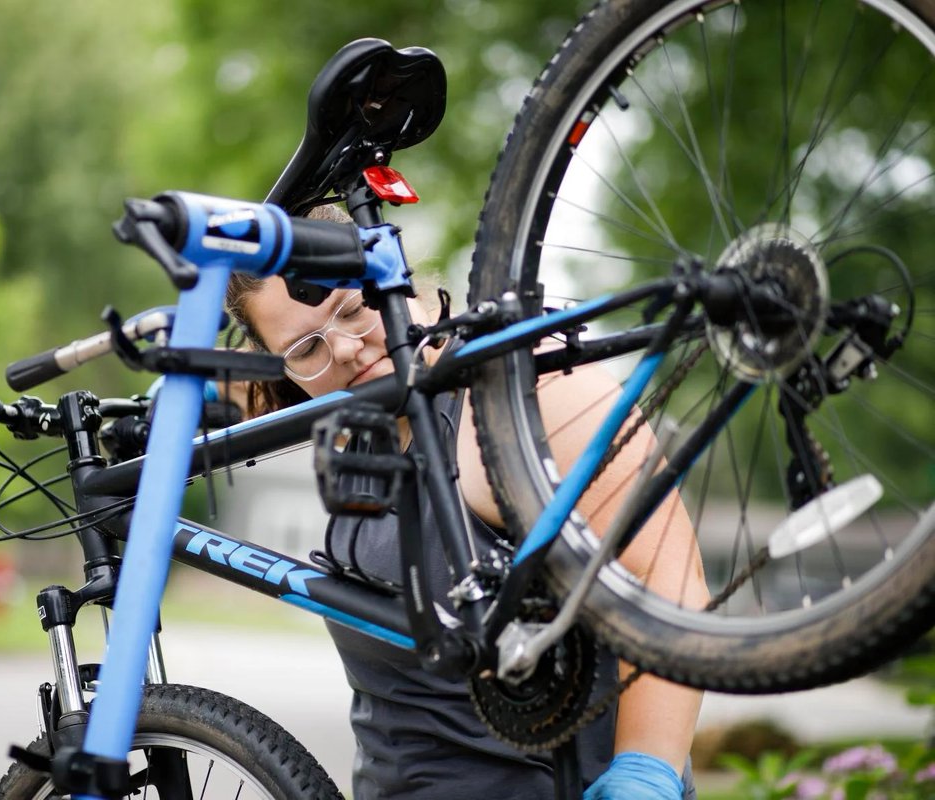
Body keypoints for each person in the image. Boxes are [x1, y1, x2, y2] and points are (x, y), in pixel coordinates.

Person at [222, 213, 707, 799]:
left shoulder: (522, 392)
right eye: (305, 348)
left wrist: (646, 769)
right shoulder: (355, 420)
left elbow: (668, 577)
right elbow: (258, 390)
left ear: (397, 277)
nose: (347, 349)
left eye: (352, 310)